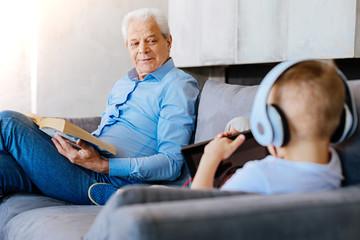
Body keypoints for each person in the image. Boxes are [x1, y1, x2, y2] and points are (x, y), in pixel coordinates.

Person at [0, 8, 199, 205]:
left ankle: (112, 195)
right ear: (127, 47)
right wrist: (74, 144)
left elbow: (171, 163)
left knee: (9, 121)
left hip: (107, 178)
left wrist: (104, 165)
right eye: (135, 43)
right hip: (82, 165)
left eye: (151, 40)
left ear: (168, 41)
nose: (142, 50)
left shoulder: (178, 85)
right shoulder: (123, 83)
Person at [191, 59, 357, 193]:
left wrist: (210, 158)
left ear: (274, 128)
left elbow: (197, 211)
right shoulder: (333, 165)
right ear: (344, 122)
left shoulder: (257, 176)